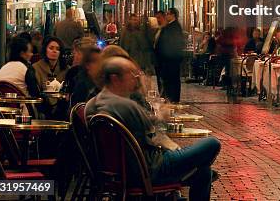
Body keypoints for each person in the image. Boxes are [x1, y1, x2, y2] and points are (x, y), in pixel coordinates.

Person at [85, 57, 220, 200]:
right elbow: (155, 134)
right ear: (114, 78)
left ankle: (188, 175)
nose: (135, 77)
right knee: (212, 144)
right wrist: (162, 115)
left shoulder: (92, 104)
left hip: (118, 172)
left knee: (204, 170)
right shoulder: (126, 106)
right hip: (151, 169)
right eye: (130, 73)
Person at [155, 8, 185, 103]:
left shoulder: (174, 27)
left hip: (171, 60)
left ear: (173, 15)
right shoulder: (169, 26)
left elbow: (172, 44)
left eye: (168, 14)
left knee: (172, 81)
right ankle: (170, 98)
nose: (166, 16)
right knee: (169, 81)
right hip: (168, 60)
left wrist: (166, 55)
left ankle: (172, 99)